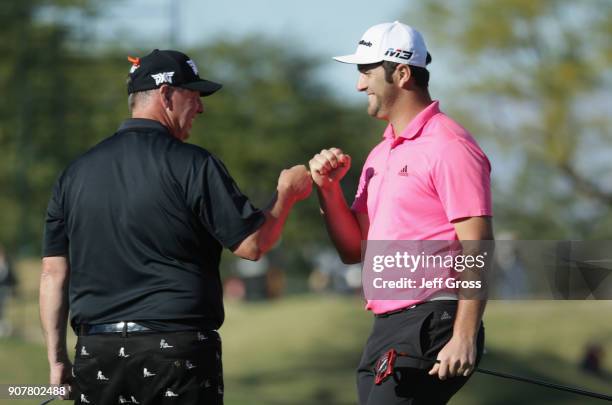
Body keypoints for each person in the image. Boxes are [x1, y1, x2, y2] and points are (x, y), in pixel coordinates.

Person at [40, 49, 312, 405]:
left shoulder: (73, 174)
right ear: (166, 94)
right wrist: (286, 194)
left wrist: (57, 359)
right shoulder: (194, 164)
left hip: (98, 352)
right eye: (194, 96)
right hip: (176, 353)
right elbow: (253, 244)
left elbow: (52, 273)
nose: (200, 109)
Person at [309, 22, 493, 404]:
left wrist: (463, 335)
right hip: (389, 325)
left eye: (367, 73)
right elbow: (353, 250)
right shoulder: (380, 154)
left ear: (402, 73)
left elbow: (479, 244)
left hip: (432, 321)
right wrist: (327, 191)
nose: (360, 85)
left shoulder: (449, 145)